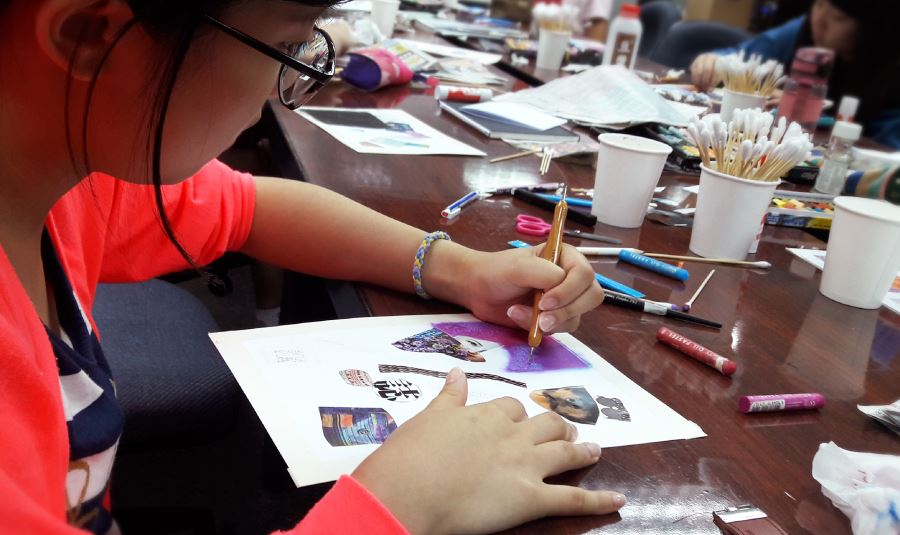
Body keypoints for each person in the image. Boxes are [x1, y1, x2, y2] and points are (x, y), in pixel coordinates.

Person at [0, 1, 626, 534]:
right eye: (283, 47)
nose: (283, 87)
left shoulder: (65, 184)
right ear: (89, 33)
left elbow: (251, 209)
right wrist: (401, 505)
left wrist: (460, 269)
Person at [690, 0, 900, 149]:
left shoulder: (890, 74)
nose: (819, 22)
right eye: (819, 5)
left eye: (838, 18)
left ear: (869, 28)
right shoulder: (800, 31)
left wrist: (812, 111)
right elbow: (742, 56)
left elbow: (886, 150)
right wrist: (716, 60)